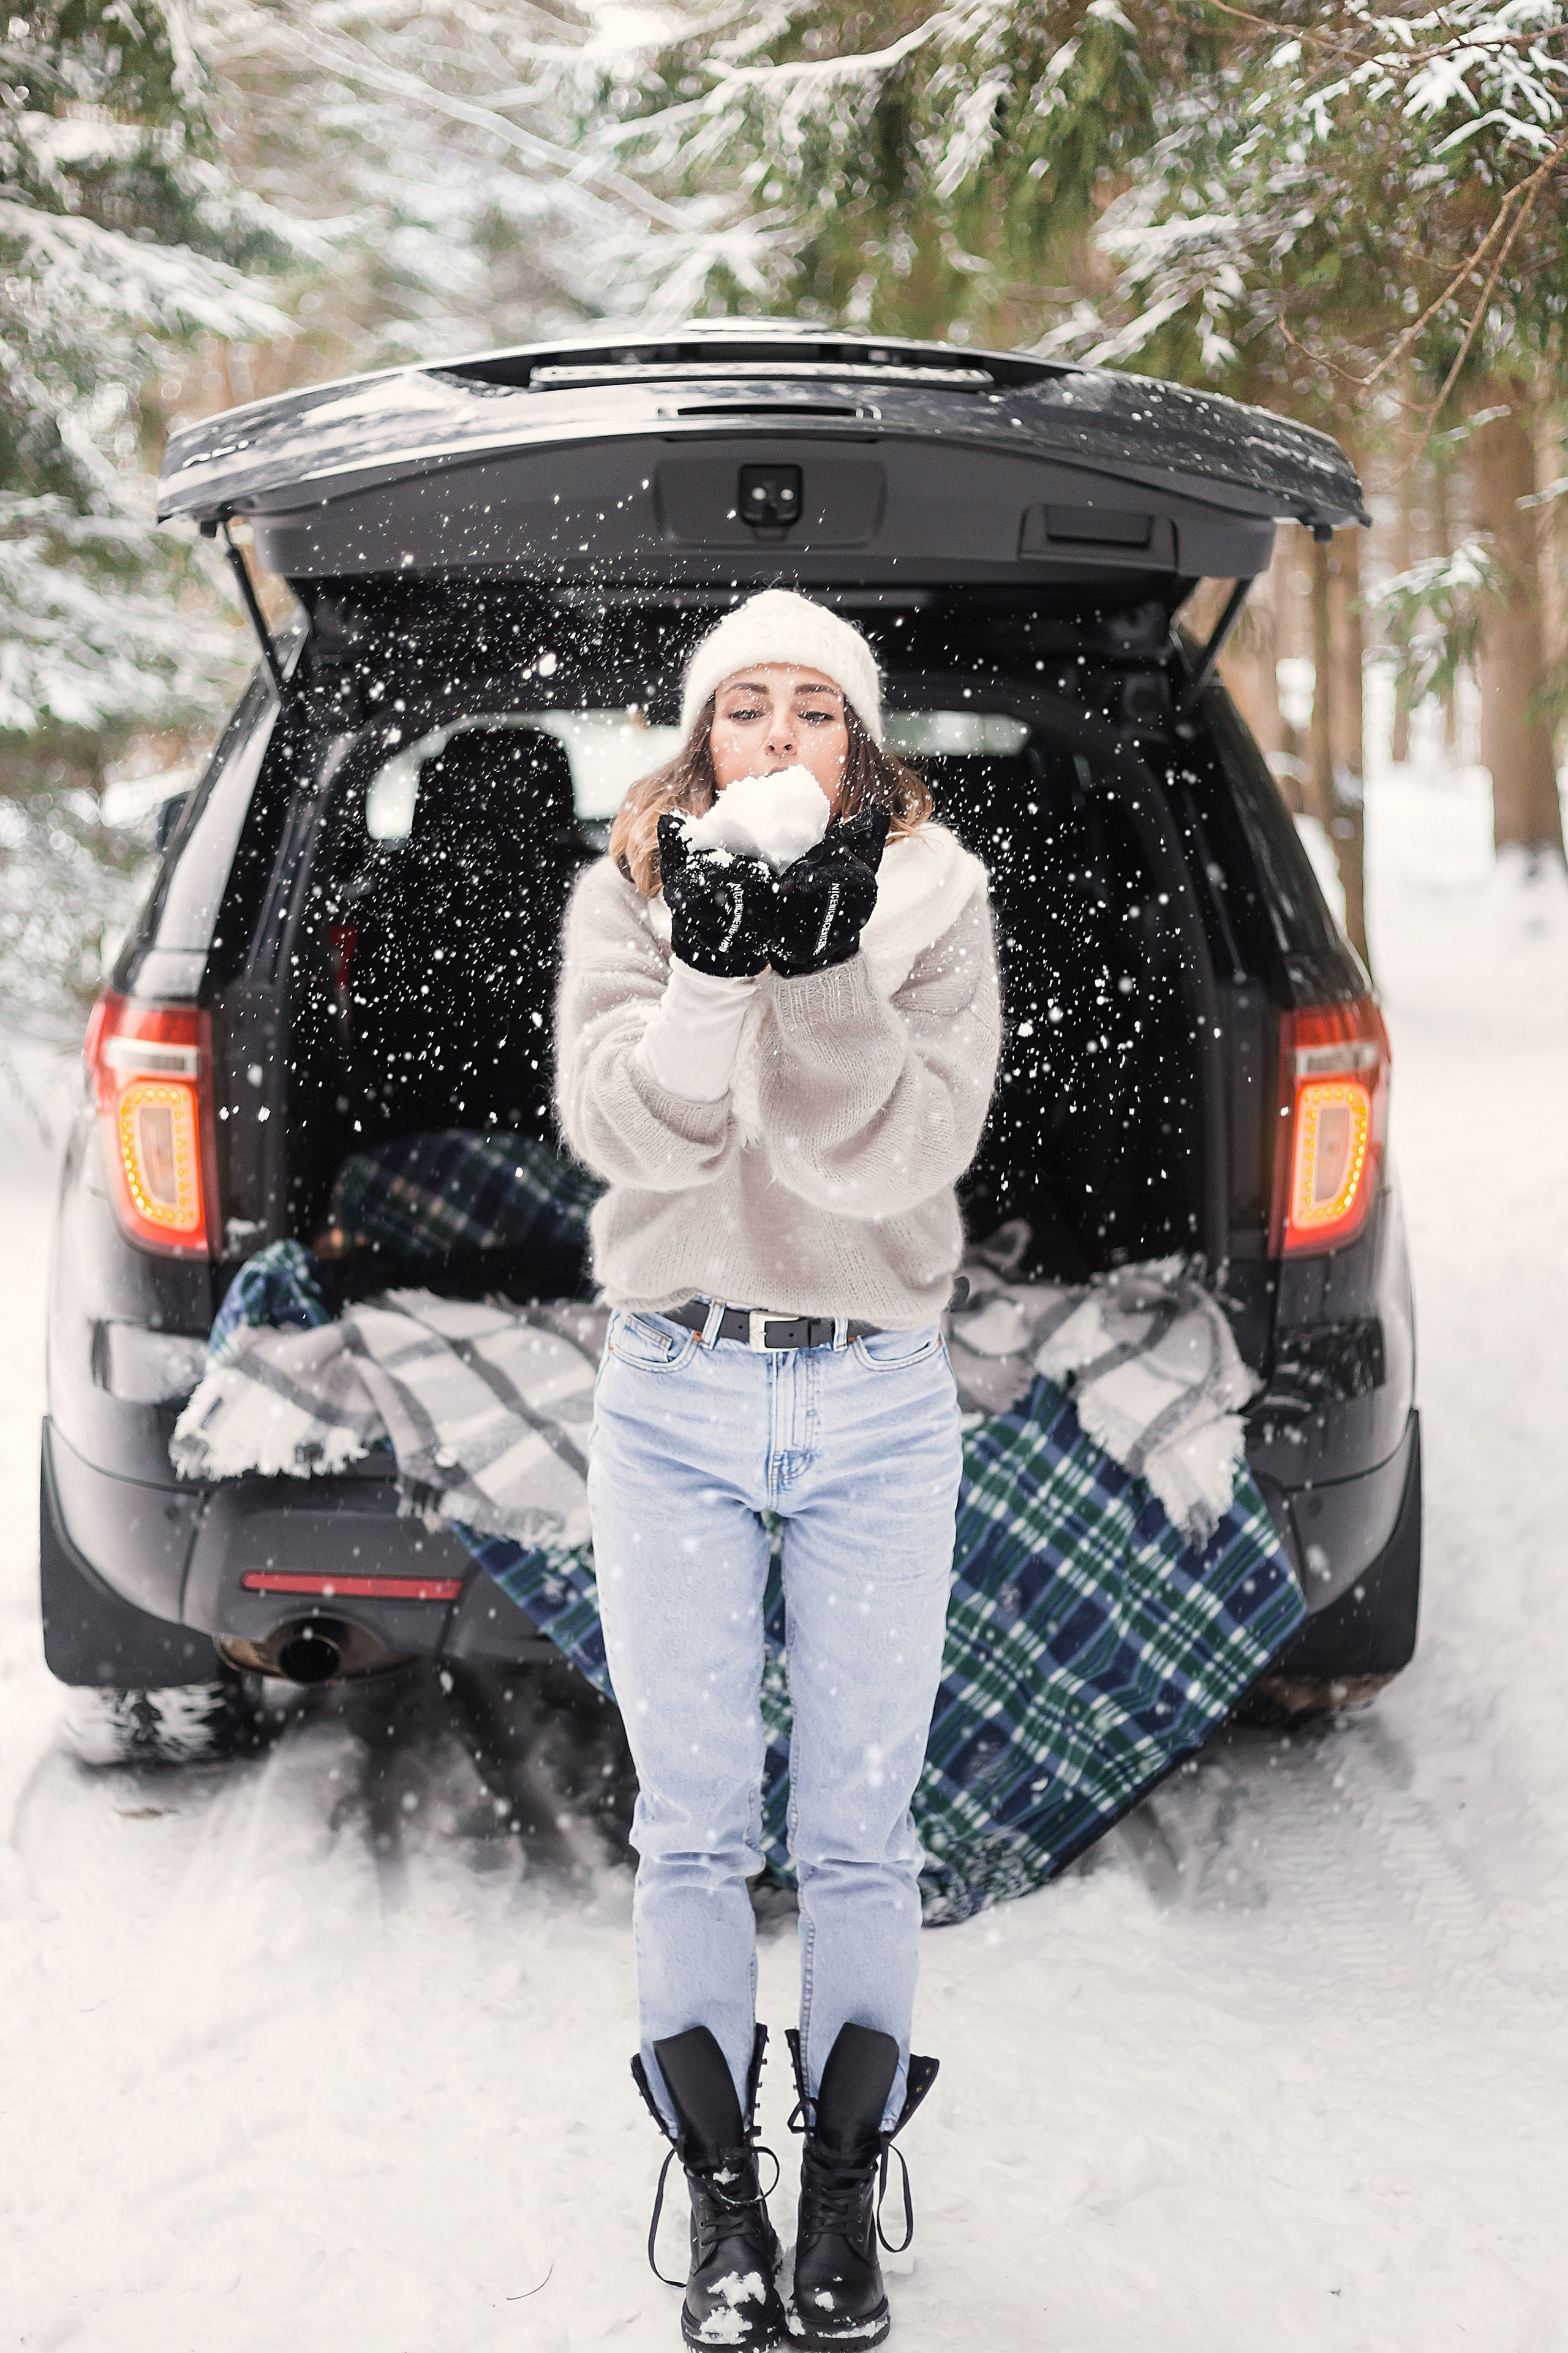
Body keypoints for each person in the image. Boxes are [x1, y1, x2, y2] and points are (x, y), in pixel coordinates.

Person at [555, 589, 1000, 2350]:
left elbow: (894, 1153)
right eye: (752, 710)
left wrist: (818, 967)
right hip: (671, 1392)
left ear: (862, 746)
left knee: (858, 1835)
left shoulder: (941, 902)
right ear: (702, 742)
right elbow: (627, 1133)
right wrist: (710, 968)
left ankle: (839, 2206)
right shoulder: (625, 893)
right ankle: (723, 2203)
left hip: (879, 1399)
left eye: (821, 710)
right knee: (693, 1827)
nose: (786, 740)